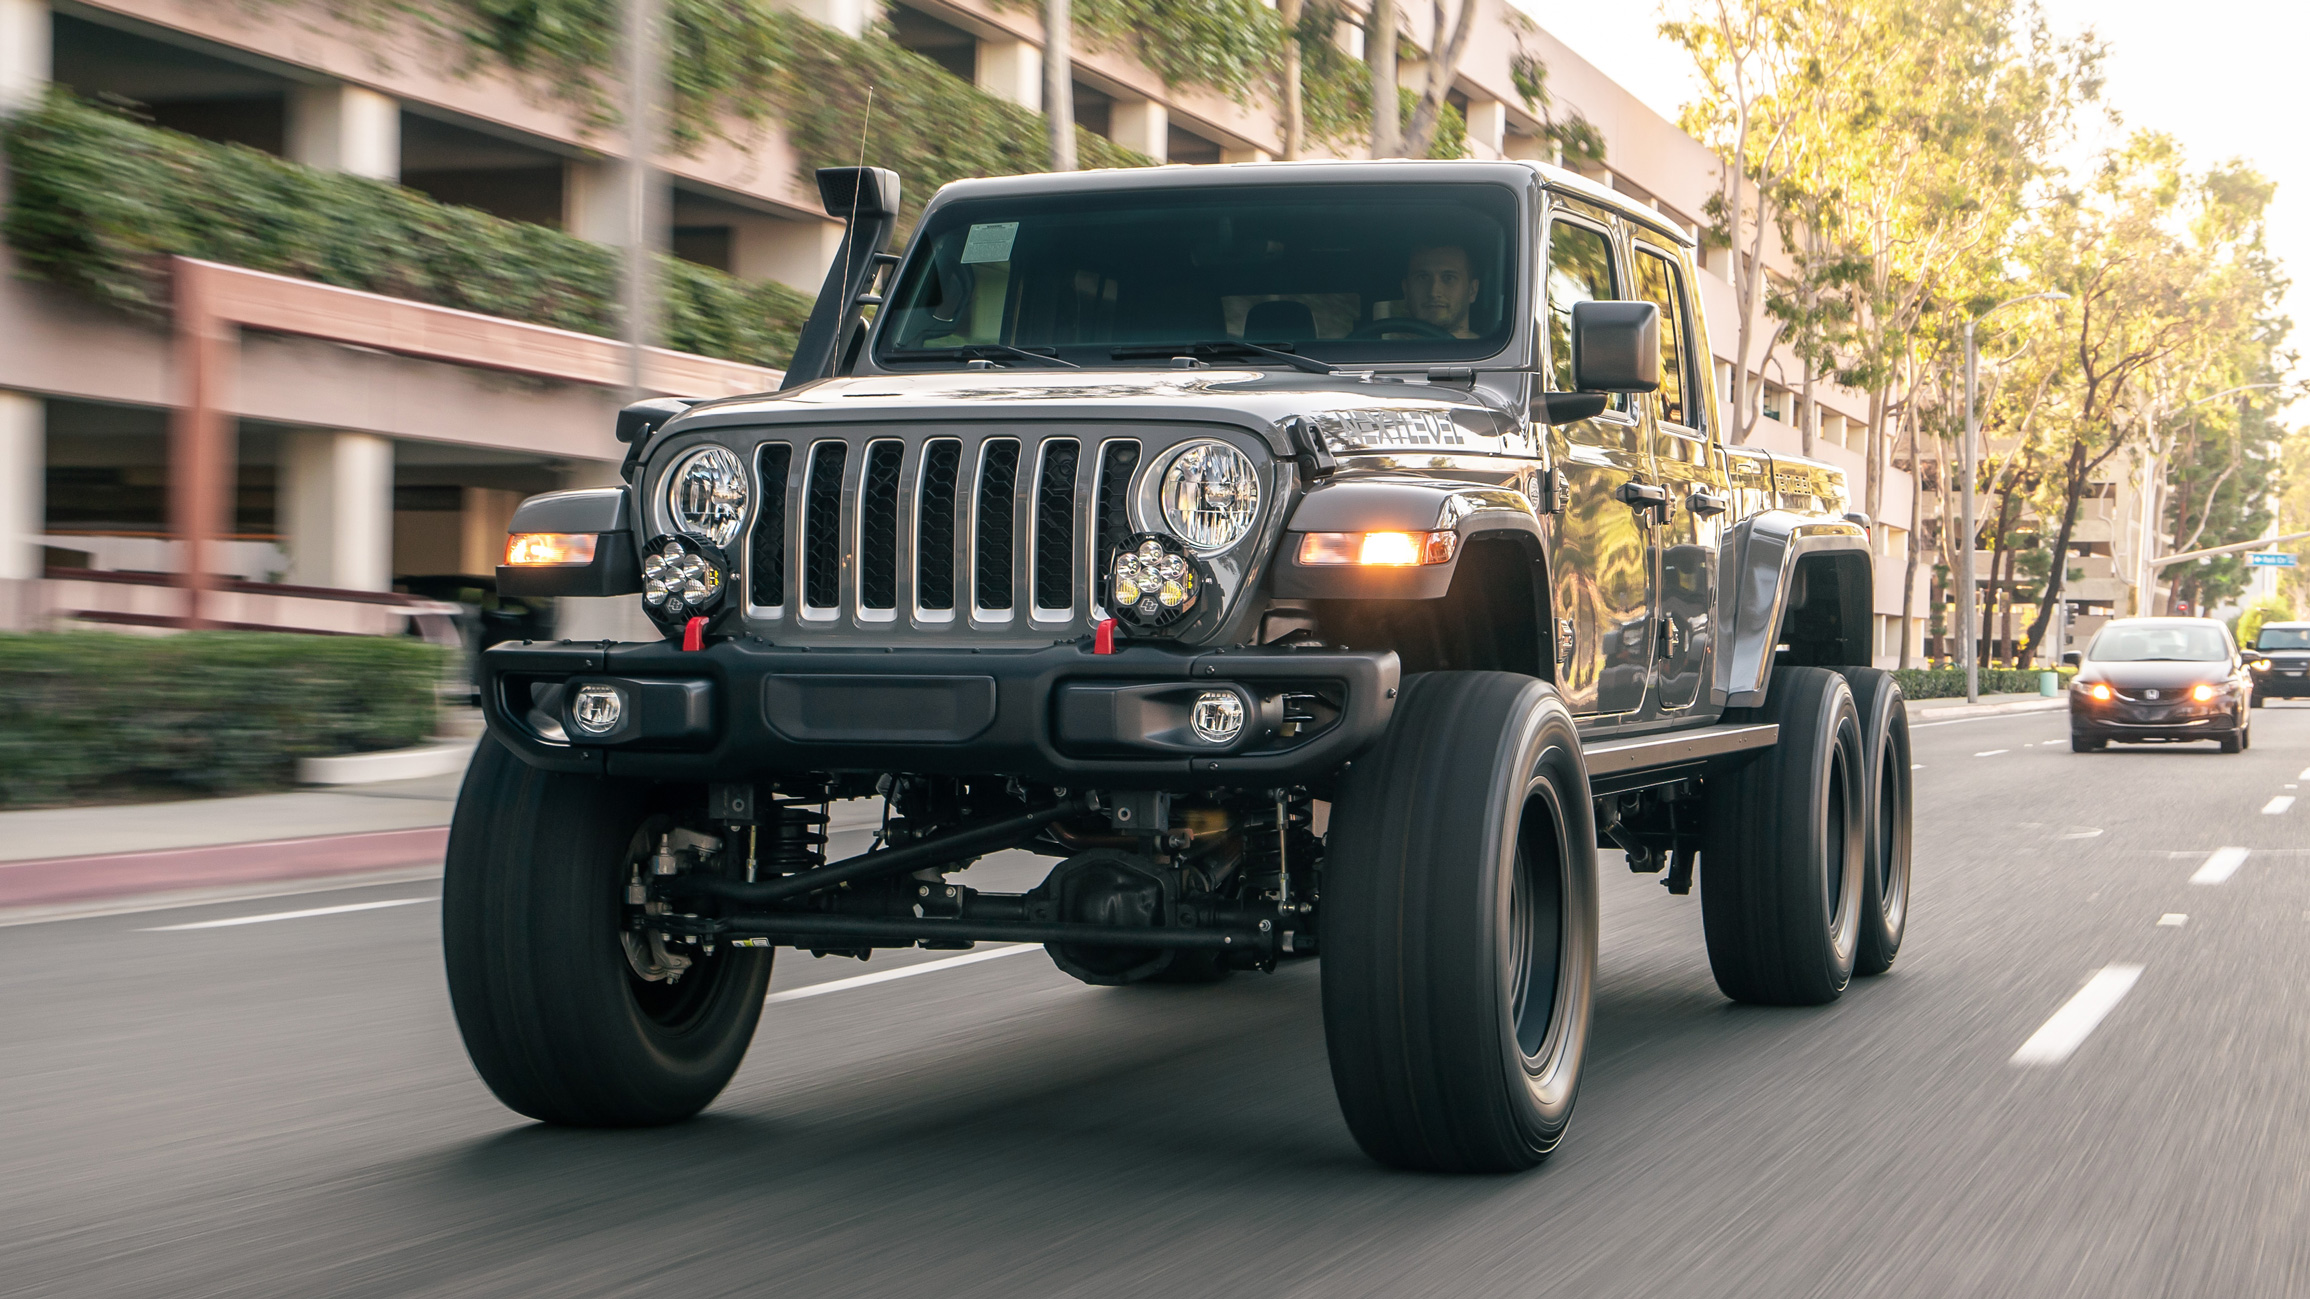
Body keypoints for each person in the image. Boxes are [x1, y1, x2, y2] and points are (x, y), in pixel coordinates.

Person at [1402, 244, 1482, 337]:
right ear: (1406, 289)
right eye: (1423, 277)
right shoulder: (1388, 350)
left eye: (1448, 278)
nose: (1433, 292)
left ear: (1472, 290)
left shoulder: (1497, 350)